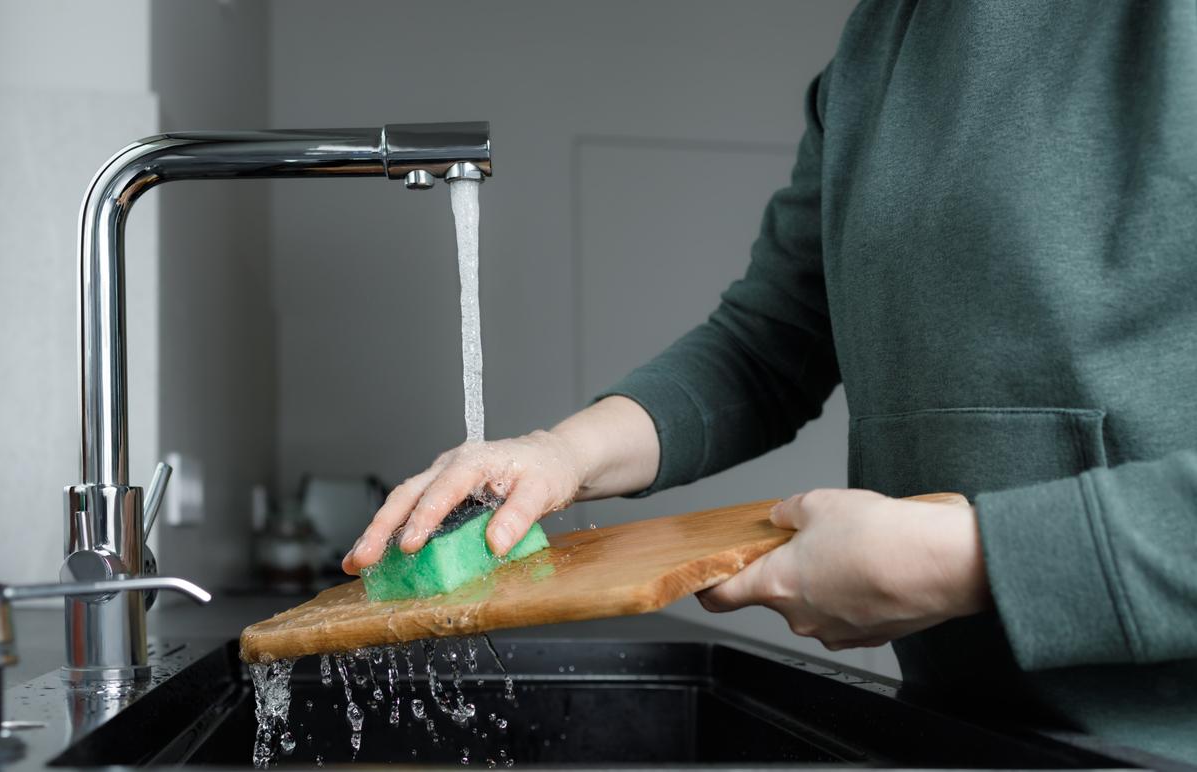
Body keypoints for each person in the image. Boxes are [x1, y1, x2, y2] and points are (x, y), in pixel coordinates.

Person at [345, 2, 1197, 763]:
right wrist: (560, 454)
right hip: (957, 727)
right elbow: (769, 342)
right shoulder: (878, 44)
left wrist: (972, 560)